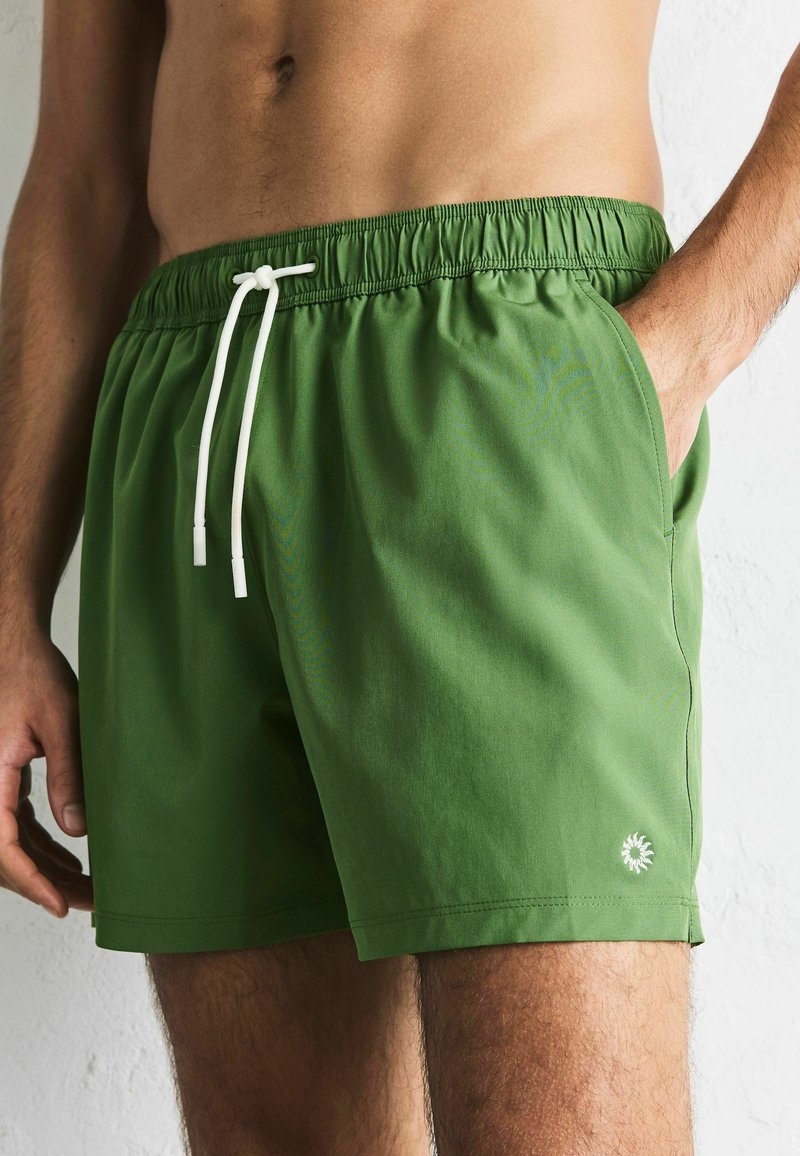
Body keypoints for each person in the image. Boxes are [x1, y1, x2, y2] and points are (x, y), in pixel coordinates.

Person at [0, 1, 796, 1152]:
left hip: (499, 357)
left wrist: (680, 351)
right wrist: (9, 600)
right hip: (197, 397)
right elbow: (81, 174)